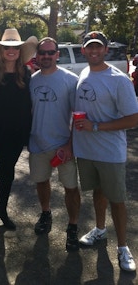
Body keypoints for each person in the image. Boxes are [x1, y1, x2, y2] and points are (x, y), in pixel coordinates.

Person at [73, 31, 138, 271]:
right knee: (98, 193)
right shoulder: (84, 73)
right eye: (89, 47)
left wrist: (96, 126)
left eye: (98, 47)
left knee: (117, 200)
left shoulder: (119, 79)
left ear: (106, 49)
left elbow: (133, 119)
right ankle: (100, 230)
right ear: (83, 50)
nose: (94, 51)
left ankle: (123, 248)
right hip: (87, 151)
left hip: (110, 152)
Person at [28, 37, 81, 251]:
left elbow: (78, 117)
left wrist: (70, 145)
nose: (47, 56)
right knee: (41, 182)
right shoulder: (31, 80)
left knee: (71, 188)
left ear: (57, 55)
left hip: (62, 145)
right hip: (37, 143)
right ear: (37, 55)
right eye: (43, 52)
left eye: (51, 52)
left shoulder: (70, 80)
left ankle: (73, 226)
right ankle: (46, 213)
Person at [0, 28, 38, 230]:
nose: (11, 50)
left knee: (8, 172)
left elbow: (29, 103)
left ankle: (1, 209)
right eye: (7, 47)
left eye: (15, 47)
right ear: (1, 49)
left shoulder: (26, 72)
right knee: (7, 172)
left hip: (19, 132)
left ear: (20, 50)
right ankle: (2, 210)